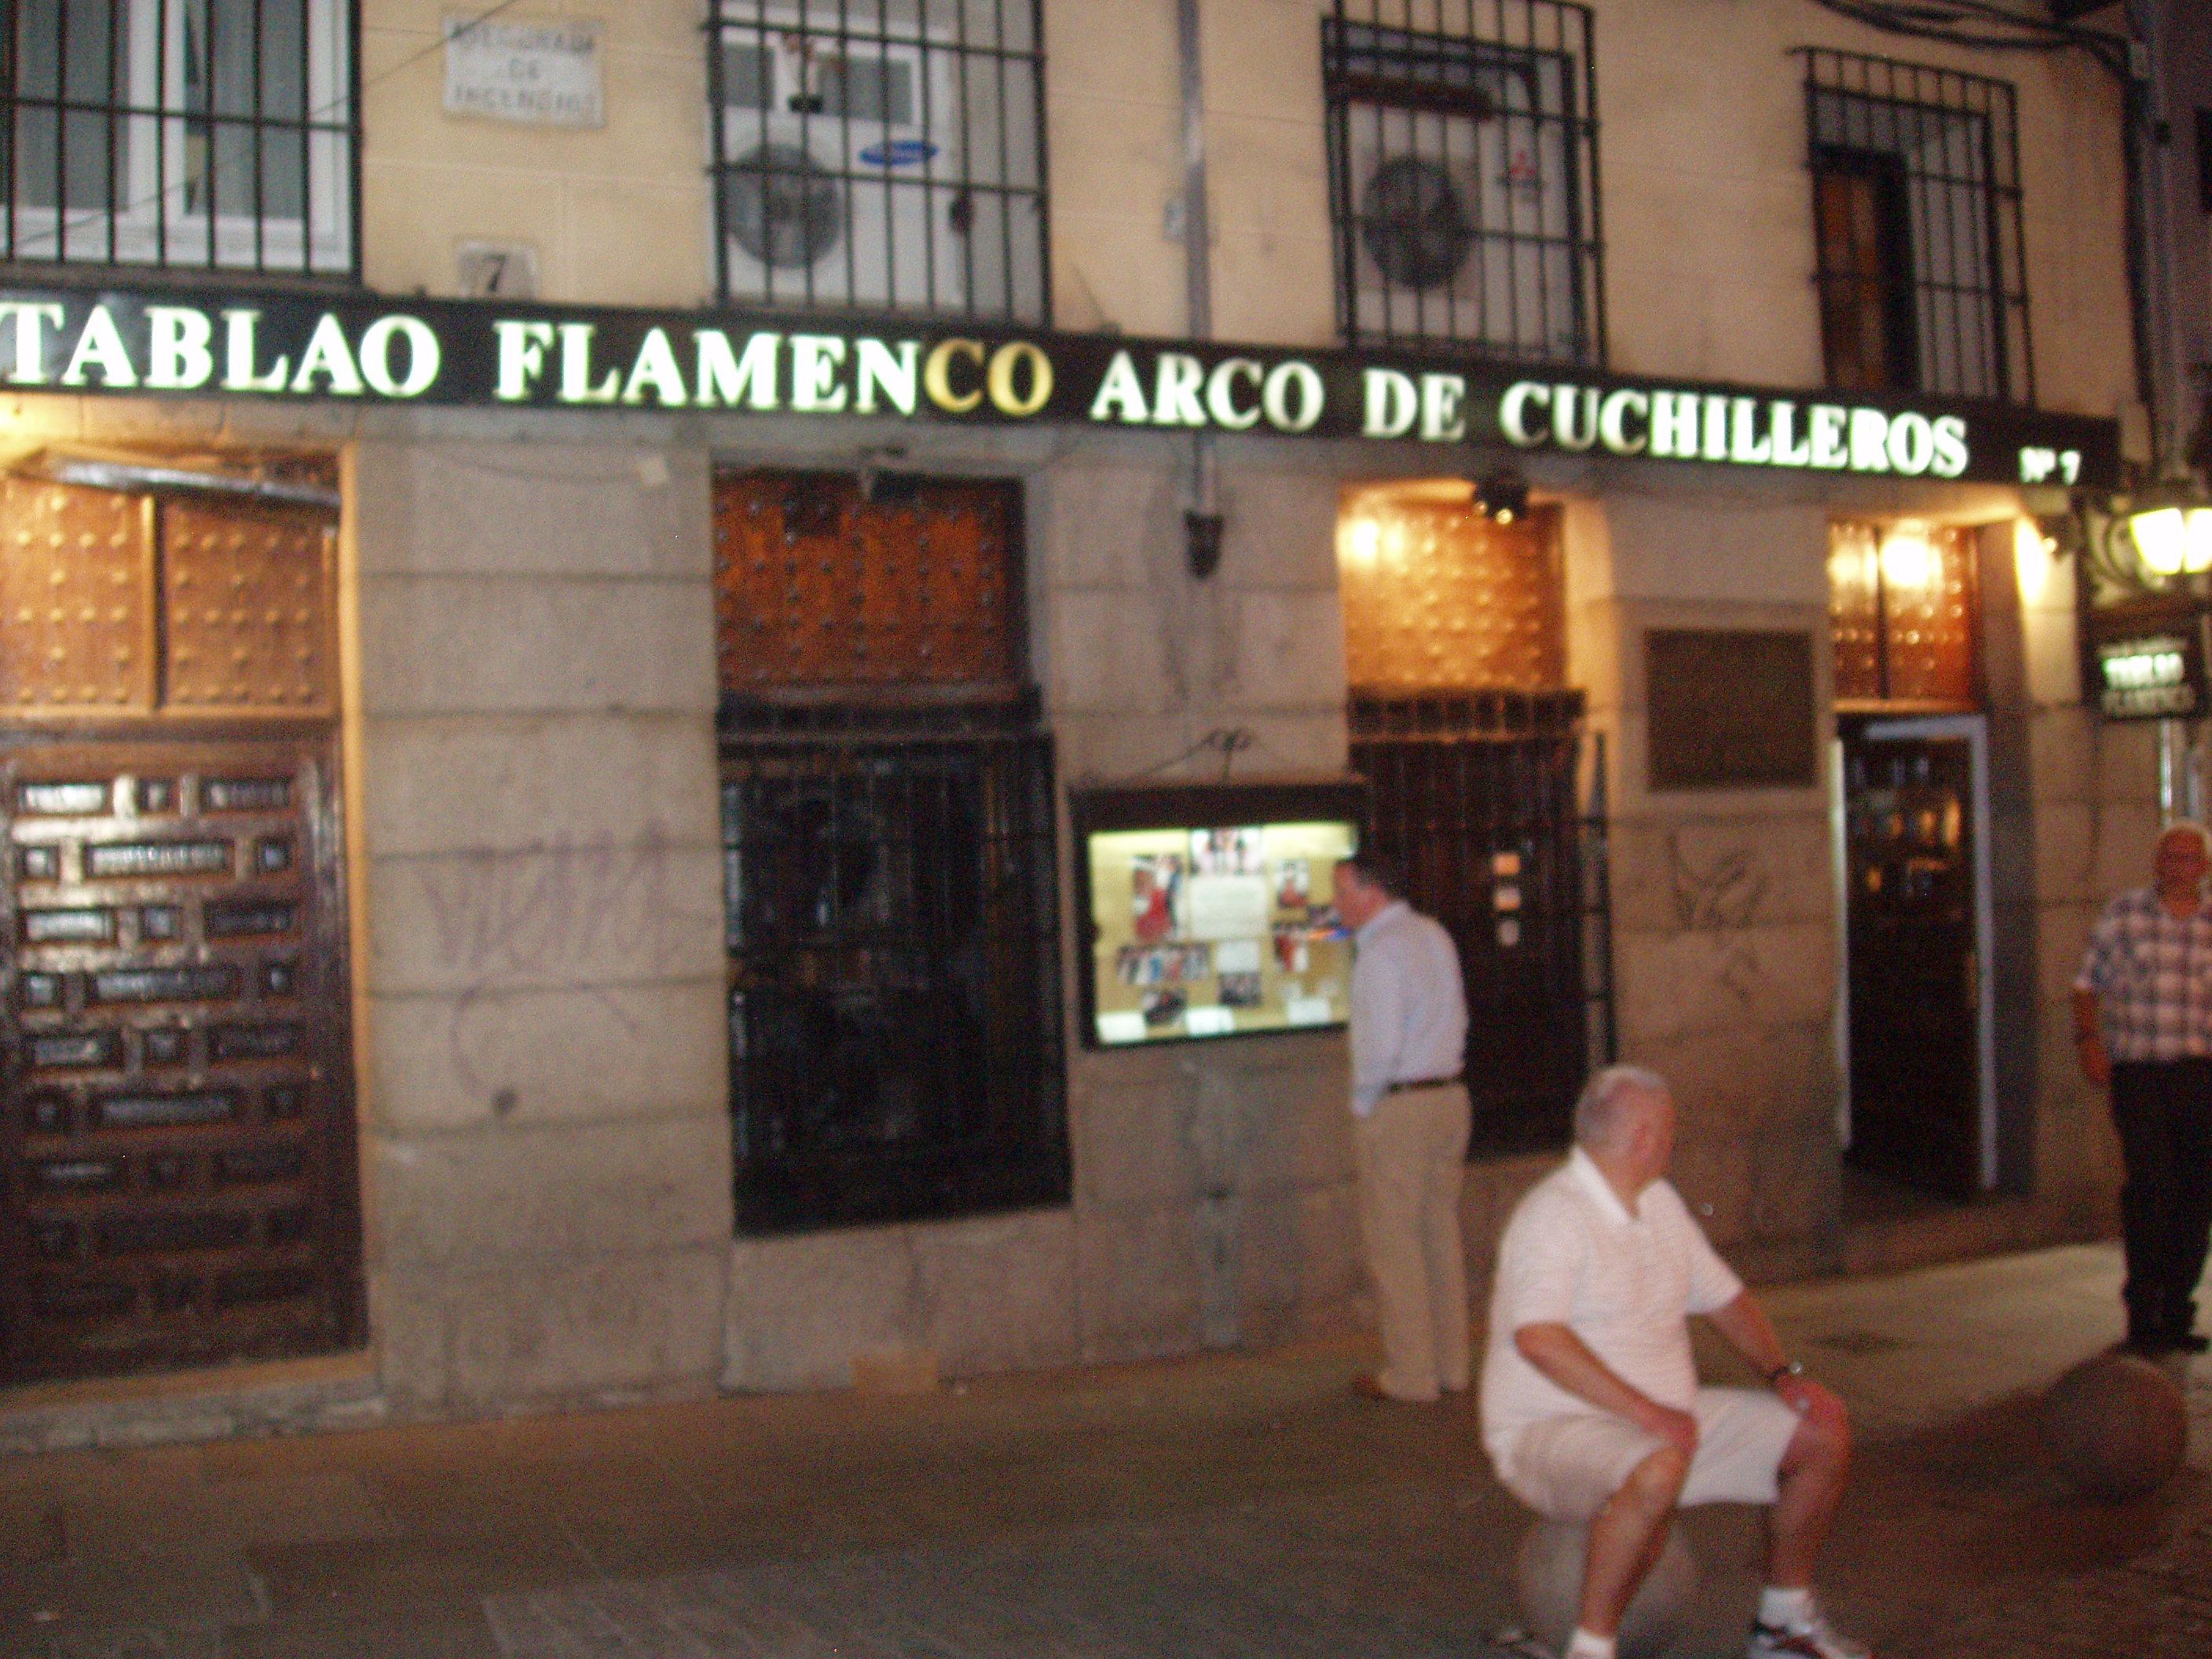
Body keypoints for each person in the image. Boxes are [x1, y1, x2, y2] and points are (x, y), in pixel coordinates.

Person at [1481, 1066, 1865, 1659]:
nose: (1673, 1142)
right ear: (1644, 1138)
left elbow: (1726, 1300)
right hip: (1552, 1432)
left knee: (1822, 1433)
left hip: (1664, 1422)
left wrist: (1782, 1376)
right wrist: (1649, 1415)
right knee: (1657, 1467)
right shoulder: (1555, 1214)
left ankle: (1783, 1623)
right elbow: (1539, 1339)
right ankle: (1591, 1649)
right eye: (1669, 1130)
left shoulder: (1659, 1203)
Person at [1332, 851, 1470, 1403]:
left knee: (1395, 1243)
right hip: (1449, 1096)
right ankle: (1452, 1366)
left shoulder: (1379, 954)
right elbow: (1458, 1016)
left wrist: (1364, 1106)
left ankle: (1412, 1373)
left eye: (1343, 893)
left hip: (1402, 1105)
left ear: (1372, 894)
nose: (1336, 905)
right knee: (1439, 1232)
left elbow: (1379, 1048)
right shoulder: (1434, 936)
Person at [2072, 819, 2212, 1355]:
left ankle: (2177, 1309)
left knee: (2197, 1192)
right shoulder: (2125, 915)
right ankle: (2143, 1310)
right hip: (2141, 1073)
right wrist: (2088, 1040)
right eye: (2171, 857)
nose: (2181, 867)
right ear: (2158, 863)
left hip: (2199, 1074)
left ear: (2204, 867)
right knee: (2152, 1188)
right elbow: (2086, 985)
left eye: (2190, 858)